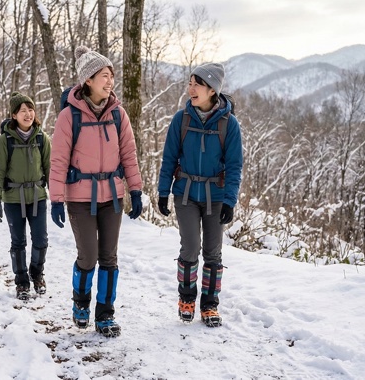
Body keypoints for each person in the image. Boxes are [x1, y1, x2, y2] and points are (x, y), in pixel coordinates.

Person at [49, 46, 143, 337]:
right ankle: (81, 303)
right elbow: (59, 160)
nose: (110, 80)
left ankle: (105, 314)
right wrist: (56, 199)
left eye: (111, 75)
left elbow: (129, 153)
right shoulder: (69, 117)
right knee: (88, 256)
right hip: (79, 198)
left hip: (112, 197)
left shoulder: (118, 115)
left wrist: (135, 190)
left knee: (109, 258)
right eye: (104, 75)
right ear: (88, 80)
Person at [157, 62, 243, 327]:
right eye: (190, 83)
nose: (190, 88)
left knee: (214, 252)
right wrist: (163, 191)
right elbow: (169, 157)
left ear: (212, 90)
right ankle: (186, 299)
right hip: (185, 193)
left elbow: (234, 165)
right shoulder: (180, 119)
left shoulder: (229, 124)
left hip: (215, 196)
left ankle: (210, 305)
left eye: (197, 84)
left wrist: (230, 200)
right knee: (191, 247)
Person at [0, 92, 52, 301]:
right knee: (18, 242)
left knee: (41, 240)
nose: (28, 114)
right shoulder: (4, 141)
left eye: (30, 109)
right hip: (14, 200)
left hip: (38, 197)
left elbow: (50, 169)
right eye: (22, 111)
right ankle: (22, 282)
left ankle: (37, 274)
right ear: (14, 115)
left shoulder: (43, 139)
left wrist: (60, 199)